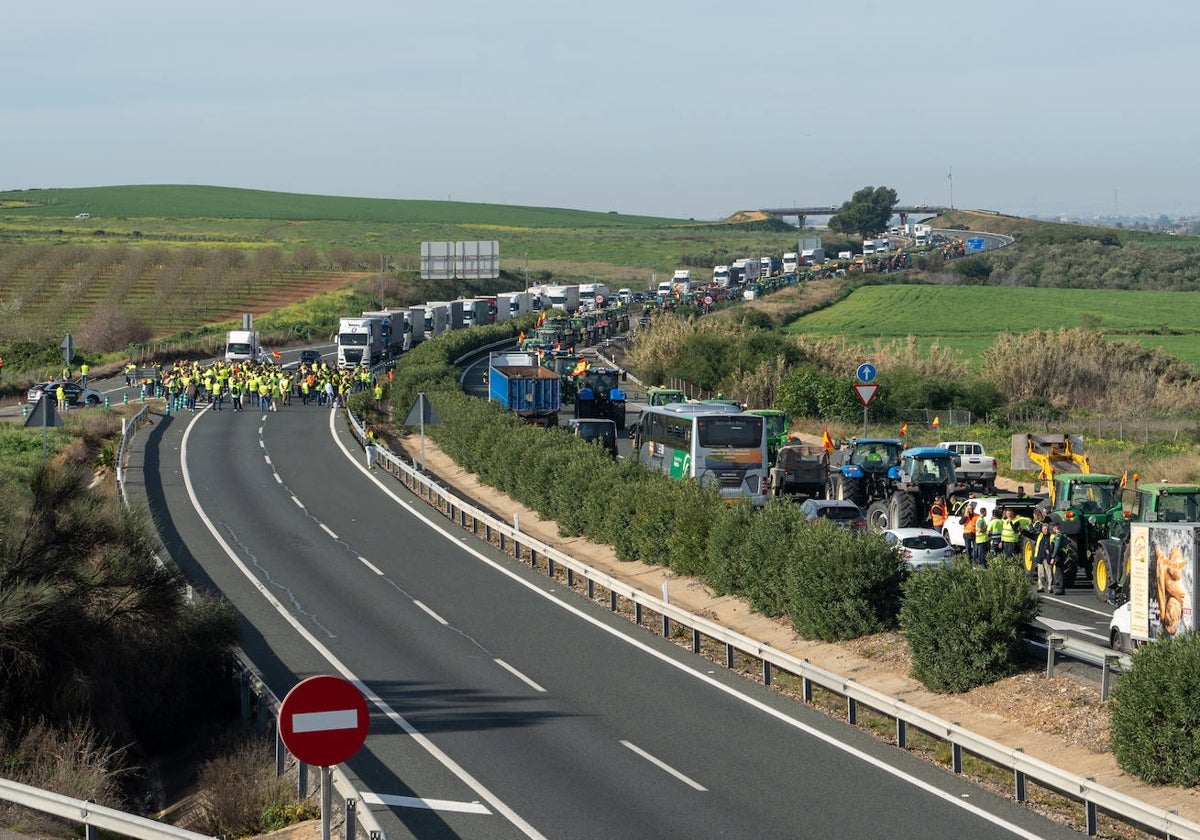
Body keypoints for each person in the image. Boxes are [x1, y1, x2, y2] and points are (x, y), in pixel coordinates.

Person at [1049, 522, 1069, 595]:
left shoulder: (1058, 535)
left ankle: (1061, 589)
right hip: (1061, 554)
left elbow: (1056, 547)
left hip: (1059, 555)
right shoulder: (1061, 534)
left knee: (1059, 572)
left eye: (1053, 527)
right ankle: (1059, 588)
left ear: (1055, 527)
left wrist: (1053, 557)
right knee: (1059, 571)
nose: (1052, 528)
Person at [1034, 522, 1054, 593]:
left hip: (1047, 558)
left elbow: (1053, 546)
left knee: (1049, 574)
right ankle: (1041, 587)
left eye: (1047, 529)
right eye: (1045, 529)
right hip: (1040, 557)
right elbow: (1030, 535)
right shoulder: (1039, 536)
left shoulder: (1051, 537)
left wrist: (1050, 551)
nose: (1046, 530)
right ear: (1042, 530)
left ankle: (1050, 587)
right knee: (1040, 574)